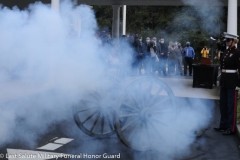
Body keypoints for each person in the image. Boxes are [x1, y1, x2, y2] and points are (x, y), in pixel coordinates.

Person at [214, 32, 240, 135]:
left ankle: (231, 128)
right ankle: (223, 125)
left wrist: (239, 83)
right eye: (226, 40)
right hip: (224, 80)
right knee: (223, 105)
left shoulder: (237, 52)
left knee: (231, 106)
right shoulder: (225, 52)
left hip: (232, 81)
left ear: (234, 41)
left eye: (228, 41)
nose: (227, 42)